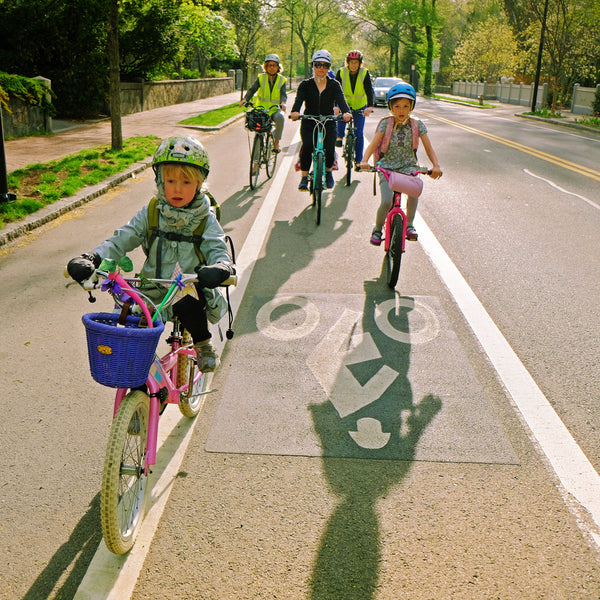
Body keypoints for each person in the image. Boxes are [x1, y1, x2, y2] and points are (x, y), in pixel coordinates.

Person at [67, 136, 235, 372]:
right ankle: (145, 375)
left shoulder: (205, 219)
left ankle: (203, 344)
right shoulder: (152, 213)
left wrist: (221, 267)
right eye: (170, 180)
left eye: (186, 182)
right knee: (128, 319)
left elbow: (217, 248)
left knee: (187, 304)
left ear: (199, 184)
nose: (177, 188)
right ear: (159, 180)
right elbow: (121, 240)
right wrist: (92, 258)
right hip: (151, 288)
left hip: (188, 286)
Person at [360, 82, 442, 243]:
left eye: (406, 106)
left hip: (408, 167)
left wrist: (436, 166)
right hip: (387, 168)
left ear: (411, 106)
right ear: (391, 107)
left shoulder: (417, 125)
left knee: (414, 191)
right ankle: (377, 228)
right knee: (386, 201)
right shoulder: (386, 123)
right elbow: (373, 144)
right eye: (397, 106)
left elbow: (429, 148)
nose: (401, 110)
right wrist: (364, 161)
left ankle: (410, 224)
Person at [290, 49, 352, 190]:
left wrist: (346, 113)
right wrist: (295, 112)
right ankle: (304, 177)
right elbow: (298, 101)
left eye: (325, 65)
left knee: (329, 148)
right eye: (318, 64)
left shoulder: (334, 84)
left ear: (329, 68)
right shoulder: (305, 85)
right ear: (313, 65)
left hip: (328, 121)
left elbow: (341, 101)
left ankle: (329, 172)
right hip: (309, 121)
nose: (321, 68)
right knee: (307, 147)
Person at [334, 50, 375, 169]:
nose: (353, 65)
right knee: (341, 118)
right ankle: (340, 136)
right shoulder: (341, 72)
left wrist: (370, 106)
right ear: (347, 62)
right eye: (351, 62)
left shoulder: (365, 73)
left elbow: (369, 90)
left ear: (360, 63)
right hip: (344, 105)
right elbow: (335, 90)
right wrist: (336, 105)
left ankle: (358, 161)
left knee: (359, 133)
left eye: (356, 62)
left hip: (359, 106)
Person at [240, 54, 287, 152]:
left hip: (274, 109)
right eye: (269, 65)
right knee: (258, 130)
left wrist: (283, 102)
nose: (272, 67)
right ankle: (256, 163)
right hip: (261, 109)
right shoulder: (261, 78)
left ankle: (276, 142)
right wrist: (245, 99)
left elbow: (283, 94)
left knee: (281, 118)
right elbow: (252, 89)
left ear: (278, 67)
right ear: (266, 66)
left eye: (274, 65)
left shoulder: (282, 80)